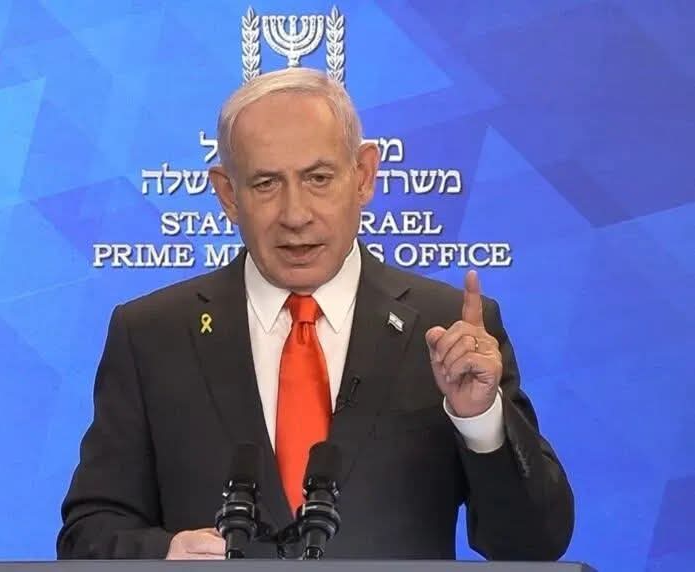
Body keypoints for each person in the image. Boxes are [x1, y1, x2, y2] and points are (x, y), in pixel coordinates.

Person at [57, 68, 573, 560]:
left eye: (319, 178)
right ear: (228, 195)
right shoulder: (152, 335)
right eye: (266, 183)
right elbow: (88, 533)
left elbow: (533, 545)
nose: (295, 214)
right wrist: (163, 554)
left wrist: (480, 419)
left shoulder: (447, 331)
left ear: (364, 176)